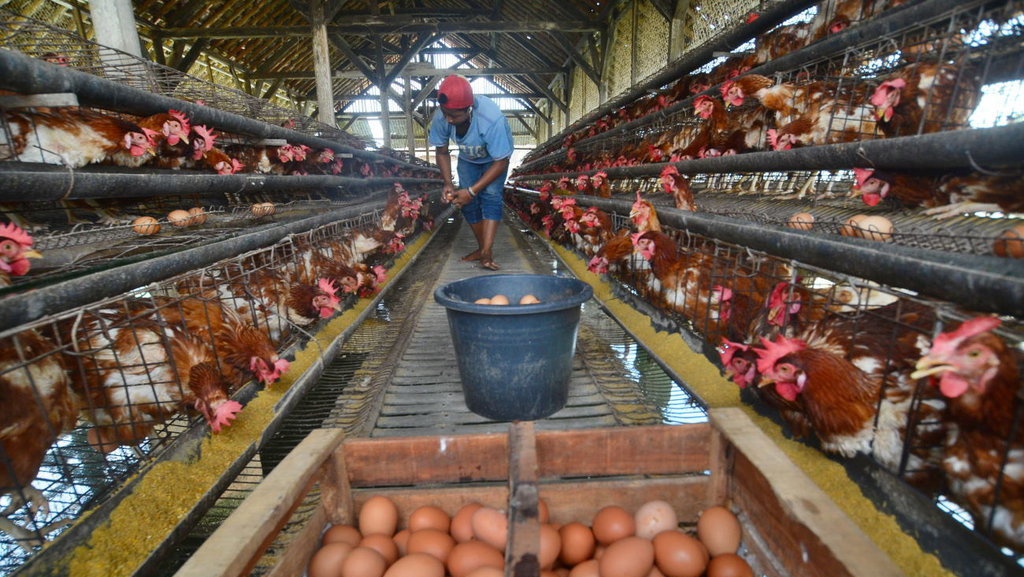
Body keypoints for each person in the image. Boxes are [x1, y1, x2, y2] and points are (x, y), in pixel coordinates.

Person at [429, 75, 514, 271]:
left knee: (491, 196)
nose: (448, 120)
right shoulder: (441, 117)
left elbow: (501, 162)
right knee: (465, 202)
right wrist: (448, 183)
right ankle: (482, 249)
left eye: (454, 116)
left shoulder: (491, 119)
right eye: (446, 113)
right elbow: (442, 152)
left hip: (495, 161)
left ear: (468, 109)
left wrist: (472, 191)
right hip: (468, 159)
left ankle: (487, 252)